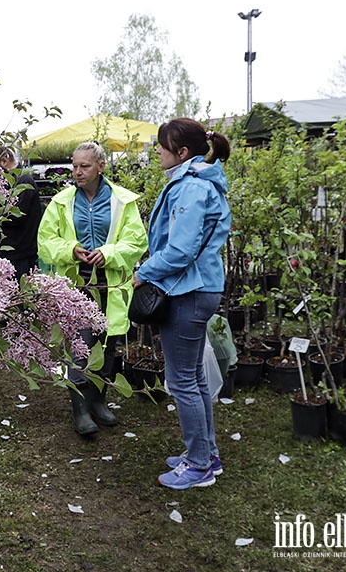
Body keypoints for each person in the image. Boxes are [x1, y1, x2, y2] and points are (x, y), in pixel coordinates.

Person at [133, 118, 232, 489]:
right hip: (196, 288)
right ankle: (207, 454)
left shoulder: (191, 189)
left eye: (161, 145)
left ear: (182, 152)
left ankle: (199, 465)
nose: (157, 151)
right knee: (195, 378)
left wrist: (146, 270)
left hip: (187, 291)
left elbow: (181, 249)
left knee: (182, 382)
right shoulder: (197, 183)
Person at [38, 141, 147, 436]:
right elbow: (46, 241)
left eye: (84, 166)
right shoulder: (61, 202)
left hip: (110, 288)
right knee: (80, 348)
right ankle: (81, 409)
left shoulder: (122, 202)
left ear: (101, 167)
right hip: (77, 289)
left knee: (107, 346)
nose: (77, 172)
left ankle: (99, 401)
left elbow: (136, 241)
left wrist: (108, 253)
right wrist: (71, 249)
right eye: (74, 166)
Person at [0, 146, 43, 283]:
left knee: (19, 295)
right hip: (11, 252)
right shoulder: (13, 180)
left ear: (4, 161)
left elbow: (16, 216)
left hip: (21, 252)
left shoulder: (23, 181)